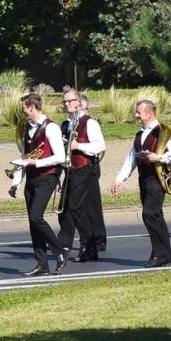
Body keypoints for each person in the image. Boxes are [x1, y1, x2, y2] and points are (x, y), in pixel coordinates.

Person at [111, 99, 171, 267]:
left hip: (158, 179)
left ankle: (160, 254)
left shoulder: (162, 131)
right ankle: (163, 254)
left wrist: (159, 157)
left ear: (150, 113)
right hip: (144, 179)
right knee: (156, 217)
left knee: (149, 214)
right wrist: (119, 178)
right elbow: (131, 160)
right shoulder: (140, 134)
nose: (136, 115)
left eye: (139, 112)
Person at [8, 93, 66, 276]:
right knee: (33, 224)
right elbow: (26, 158)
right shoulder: (26, 129)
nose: (23, 111)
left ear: (32, 107)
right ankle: (42, 264)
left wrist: (37, 163)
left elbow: (60, 157)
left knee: (36, 217)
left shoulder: (51, 128)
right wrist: (16, 182)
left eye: (24, 108)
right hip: (32, 178)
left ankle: (59, 250)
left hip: (47, 177)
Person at [58, 89, 107, 261]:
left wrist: (79, 146)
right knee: (69, 208)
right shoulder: (67, 124)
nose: (67, 104)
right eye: (64, 102)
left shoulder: (89, 123)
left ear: (79, 102)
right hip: (70, 169)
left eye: (70, 101)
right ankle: (87, 245)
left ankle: (89, 243)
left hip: (84, 168)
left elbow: (100, 146)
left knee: (76, 206)